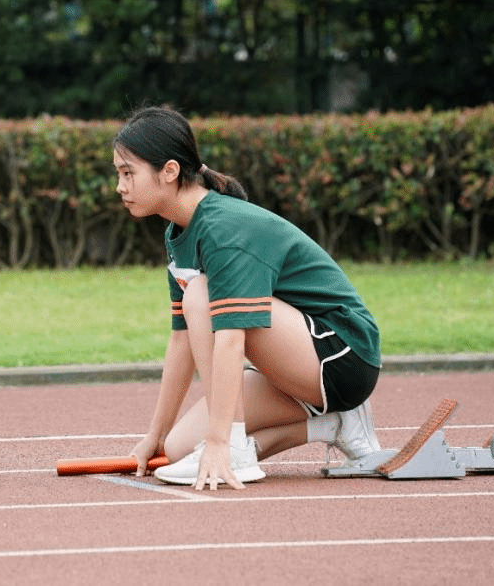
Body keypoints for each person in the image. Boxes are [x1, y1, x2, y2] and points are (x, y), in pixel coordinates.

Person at [113, 106, 383, 491]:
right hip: (291, 361)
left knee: (201, 294)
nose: (120, 186)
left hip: (343, 355)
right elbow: (182, 339)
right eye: (118, 174)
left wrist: (222, 440)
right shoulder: (177, 233)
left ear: (169, 171)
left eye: (128, 173)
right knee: (177, 448)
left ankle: (236, 448)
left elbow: (231, 337)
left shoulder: (222, 226)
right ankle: (336, 424)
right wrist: (155, 435)